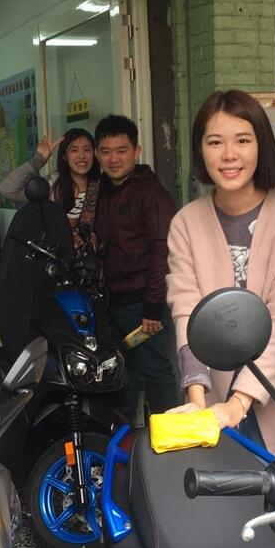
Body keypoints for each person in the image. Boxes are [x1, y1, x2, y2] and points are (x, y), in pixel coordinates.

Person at [166, 90, 275, 457]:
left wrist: (238, 404)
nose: (229, 155)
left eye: (242, 140)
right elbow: (187, 313)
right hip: (212, 399)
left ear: (261, 145)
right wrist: (198, 402)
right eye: (215, 142)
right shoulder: (186, 223)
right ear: (200, 150)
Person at [92, 114, 179, 421]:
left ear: (136, 151)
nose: (113, 159)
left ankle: (172, 440)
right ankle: (124, 441)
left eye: (122, 151)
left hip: (143, 303)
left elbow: (163, 251)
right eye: (106, 152)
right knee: (121, 376)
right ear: (97, 154)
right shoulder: (101, 191)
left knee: (156, 372)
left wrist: (152, 307)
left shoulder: (150, 193)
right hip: (112, 303)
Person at [0, 128, 99, 246]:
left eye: (87, 150)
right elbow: (7, 190)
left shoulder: (102, 189)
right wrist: (38, 160)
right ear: (64, 156)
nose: (81, 156)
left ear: (94, 154)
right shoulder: (51, 187)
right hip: (55, 255)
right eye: (74, 150)